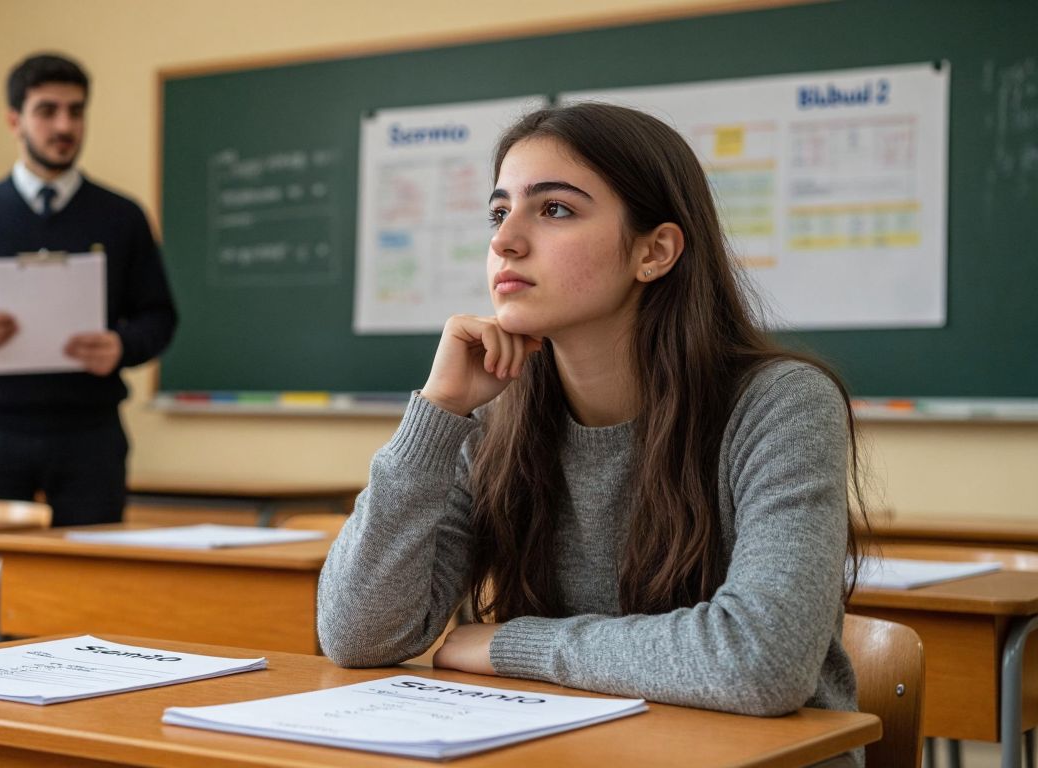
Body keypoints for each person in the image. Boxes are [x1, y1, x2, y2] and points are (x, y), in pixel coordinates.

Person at [317, 103, 869, 762]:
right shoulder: (493, 415)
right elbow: (357, 634)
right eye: (499, 212)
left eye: (554, 210)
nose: (505, 241)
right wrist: (437, 412)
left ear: (653, 251)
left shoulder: (780, 404)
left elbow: (760, 659)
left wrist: (507, 644)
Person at [0, 53, 176, 527]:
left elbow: (160, 317)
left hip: (89, 432)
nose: (64, 125)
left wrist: (121, 345)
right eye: (47, 110)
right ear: (15, 120)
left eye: (76, 111)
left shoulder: (122, 216)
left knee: (89, 578)